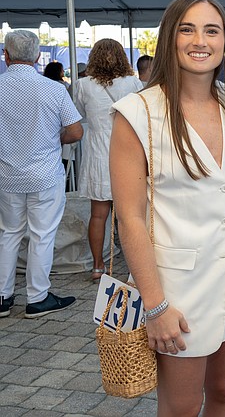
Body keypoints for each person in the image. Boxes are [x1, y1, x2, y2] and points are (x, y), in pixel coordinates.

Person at [111, 0, 225, 415]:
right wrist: (156, 305)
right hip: (178, 293)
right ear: (170, 38)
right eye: (187, 29)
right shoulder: (138, 113)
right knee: (181, 407)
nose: (200, 40)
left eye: (211, 30)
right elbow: (129, 218)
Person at [0, 30, 82, 319]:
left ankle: (2, 296)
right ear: (37, 57)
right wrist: (51, 138)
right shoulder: (54, 89)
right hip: (45, 175)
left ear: (6, 55)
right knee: (42, 235)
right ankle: (37, 297)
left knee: (8, 233)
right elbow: (75, 131)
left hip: (7, 174)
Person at [73, 38, 143, 280]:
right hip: (128, 150)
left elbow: (79, 114)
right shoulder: (134, 83)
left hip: (97, 153)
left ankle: (97, 266)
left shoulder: (83, 85)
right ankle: (135, 268)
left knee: (98, 215)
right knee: (129, 215)